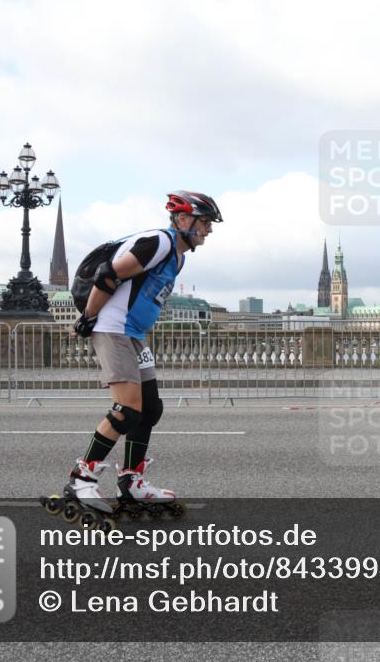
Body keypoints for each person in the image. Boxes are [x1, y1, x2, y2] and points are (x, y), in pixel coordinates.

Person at [64, 191, 222, 519]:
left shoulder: (178, 257)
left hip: (134, 334)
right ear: (183, 219)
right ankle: (83, 477)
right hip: (113, 328)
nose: (208, 230)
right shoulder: (160, 243)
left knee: (150, 409)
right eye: (204, 222)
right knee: (127, 410)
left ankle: (131, 480)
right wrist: (88, 317)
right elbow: (108, 274)